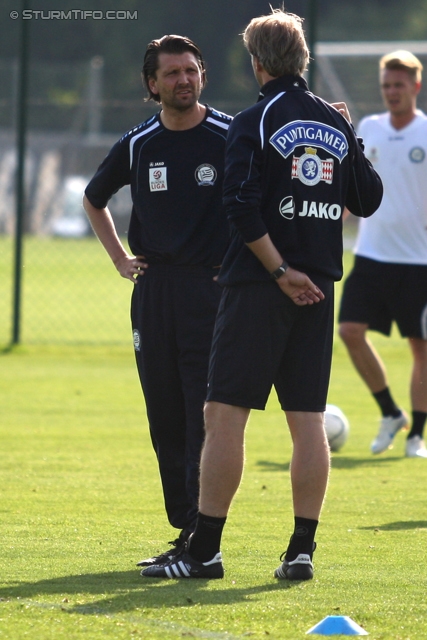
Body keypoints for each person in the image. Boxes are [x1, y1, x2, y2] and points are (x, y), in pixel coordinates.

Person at [140, 9, 383, 581]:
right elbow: (367, 199)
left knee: (223, 415)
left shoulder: (255, 119)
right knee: (307, 422)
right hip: (319, 292)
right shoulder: (332, 121)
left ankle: (205, 552)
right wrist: (349, 136)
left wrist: (278, 272)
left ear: (256, 63)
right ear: (303, 58)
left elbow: (240, 205)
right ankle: (301, 552)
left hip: (262, 287)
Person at [83, 35, 232, 566]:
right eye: (171, 73)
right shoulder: (139, 143)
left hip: (211, 291)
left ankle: (202, 536)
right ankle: (184, 531)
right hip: (154, 291)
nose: (183, 80)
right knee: (165, 414)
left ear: (202, 76)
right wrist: (121, 259)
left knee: (203, 413)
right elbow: (94, 198)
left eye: (190, 70)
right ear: (152, 84)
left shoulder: (229, 135)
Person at [339, 50, 427, 459]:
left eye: (399, 85)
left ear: (416, 86)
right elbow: (349, 184)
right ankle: (390, 412)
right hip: (371, 255)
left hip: (418, 262)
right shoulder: (368, 128)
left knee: (420, 347)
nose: (392, 92)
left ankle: (416, 436)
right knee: (349, 332)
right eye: (386, 86)